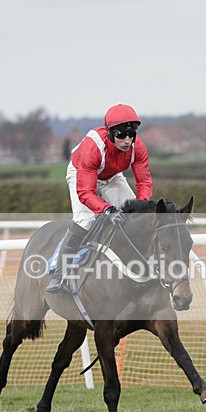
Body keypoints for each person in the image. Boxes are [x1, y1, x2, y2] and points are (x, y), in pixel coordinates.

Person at [46, 103, 154, 293]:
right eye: (121, 134)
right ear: (110, 132)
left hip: (112, 177)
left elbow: (144, 183)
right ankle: (59, 273)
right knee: (85, 220)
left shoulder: (138, 149)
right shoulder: (93, 147)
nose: (127, 140)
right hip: (82, 173)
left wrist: (141, 207)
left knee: (134, 217)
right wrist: (107, 209)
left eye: (131, 134)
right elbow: (85, 192)